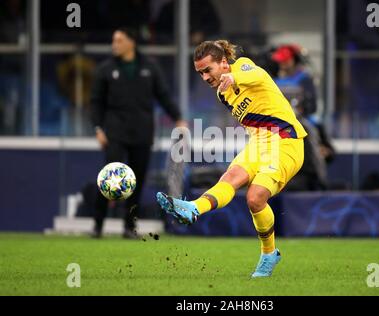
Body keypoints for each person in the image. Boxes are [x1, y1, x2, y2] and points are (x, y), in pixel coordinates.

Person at [156, 40, 308, 278]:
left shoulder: (243, 67)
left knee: (255, 198)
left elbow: (257, 75)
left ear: (224, 63)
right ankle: (192, 208)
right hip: (258, 144)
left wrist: (235, 78)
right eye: (200, 73)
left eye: (208, 70)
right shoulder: (222, 94)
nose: (205, 77)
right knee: (230, 177)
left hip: (286, 142)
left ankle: (269, 254)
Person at [90, 27, 186, 238]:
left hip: (142, 132)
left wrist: (178, 117)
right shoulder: (105, 69)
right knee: (109, 178)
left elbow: (163, 95)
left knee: (136, 181)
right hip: (115, 132)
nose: (115, 44)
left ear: (131, 42)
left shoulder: (149, 67)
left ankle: (129, 227)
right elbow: (95, 102)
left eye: (119, 40)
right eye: (114, 40)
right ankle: (97, 225)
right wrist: (98, 128)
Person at [272, 44, 335, 191]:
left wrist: (300, 112)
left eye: (286, 60)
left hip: (302, 119)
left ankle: (319, 177)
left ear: (294, 60)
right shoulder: (275, 79)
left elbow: (312, 106)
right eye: (281, 61)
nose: (282, 64)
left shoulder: (304, 78)